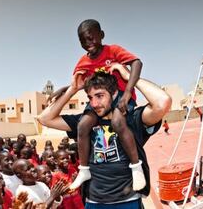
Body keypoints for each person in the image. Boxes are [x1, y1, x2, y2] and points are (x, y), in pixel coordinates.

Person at [37, 71, 171, 208]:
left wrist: (130, 77)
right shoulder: (84, 122)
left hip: (128, 200)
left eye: (100, 96)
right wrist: (73, 89)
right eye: (90, 98)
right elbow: (44, 119)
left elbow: (162, 103)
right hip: (94, 201)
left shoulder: (132, 119)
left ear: (113, 94)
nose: (94, 104)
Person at [49, 19, 144, 190]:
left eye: (91, 38)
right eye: (83, 41)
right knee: (83, 125)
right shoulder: (83, 61)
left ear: (101, 35)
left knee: (117, 122)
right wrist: (62, 90)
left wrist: (129, 90)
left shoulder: (112, 50)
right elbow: (79, 83)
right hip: (98, 98)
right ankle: (84, 170)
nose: (88, 43)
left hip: (120, 94)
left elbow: (137, 63)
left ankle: (136, 167)